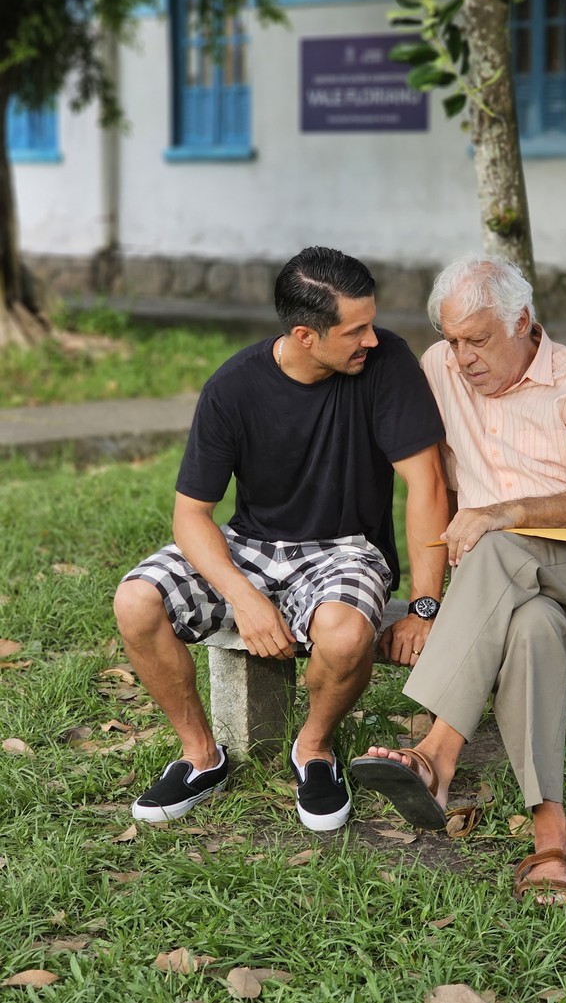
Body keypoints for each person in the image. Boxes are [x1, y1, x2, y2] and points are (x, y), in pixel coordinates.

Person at [351, 253, 566, 904]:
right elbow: (426, 480)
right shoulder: (439, 370)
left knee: (496, 545)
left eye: (478, 339)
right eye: (451, 340)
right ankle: (551, 833)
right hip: (517, 594)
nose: (462, 357)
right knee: (531, 627)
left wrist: (506, 513)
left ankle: (438, 753)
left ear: (523, 321)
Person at [115, 246, 448, 831]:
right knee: (135, 600)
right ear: (305, 334)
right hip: (250, 545)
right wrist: (245, 597)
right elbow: (191, 515)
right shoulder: (233, 388)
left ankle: (313, 749)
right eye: (357, 329)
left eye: (371, 323)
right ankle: (201, 755)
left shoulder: (388, 362)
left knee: (344, 638)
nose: (371, 339)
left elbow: (425, 486)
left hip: (346, 548)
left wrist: (423, 606)